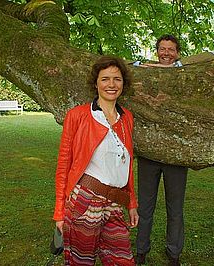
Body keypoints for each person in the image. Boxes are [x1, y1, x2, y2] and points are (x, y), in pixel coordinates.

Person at [53, 55, 139, 265]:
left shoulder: (126, 117)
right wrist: (59, 213)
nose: (112, 84)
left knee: (122, 260)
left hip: (115, 202)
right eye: (105, 79)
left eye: (117, 79)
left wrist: (132, 203)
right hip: (85, 199)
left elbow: (125, 164)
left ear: (123, 84)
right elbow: (64, 164)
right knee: (81, 261)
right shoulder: (78, 115)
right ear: (96, 83)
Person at [134, 35, 188, 266]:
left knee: (175, 208)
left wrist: (172, 67)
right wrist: (150, 66)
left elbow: (210, 56)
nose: (166, 53)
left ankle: (173, 253)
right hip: (149, 154)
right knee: (145, 206)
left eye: (171, 50)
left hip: (176, 154)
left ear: (178, 53)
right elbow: (130, 66)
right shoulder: (146, 71)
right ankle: (141, 251)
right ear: (156, 51)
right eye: (162, 49)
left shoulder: (184, 73)